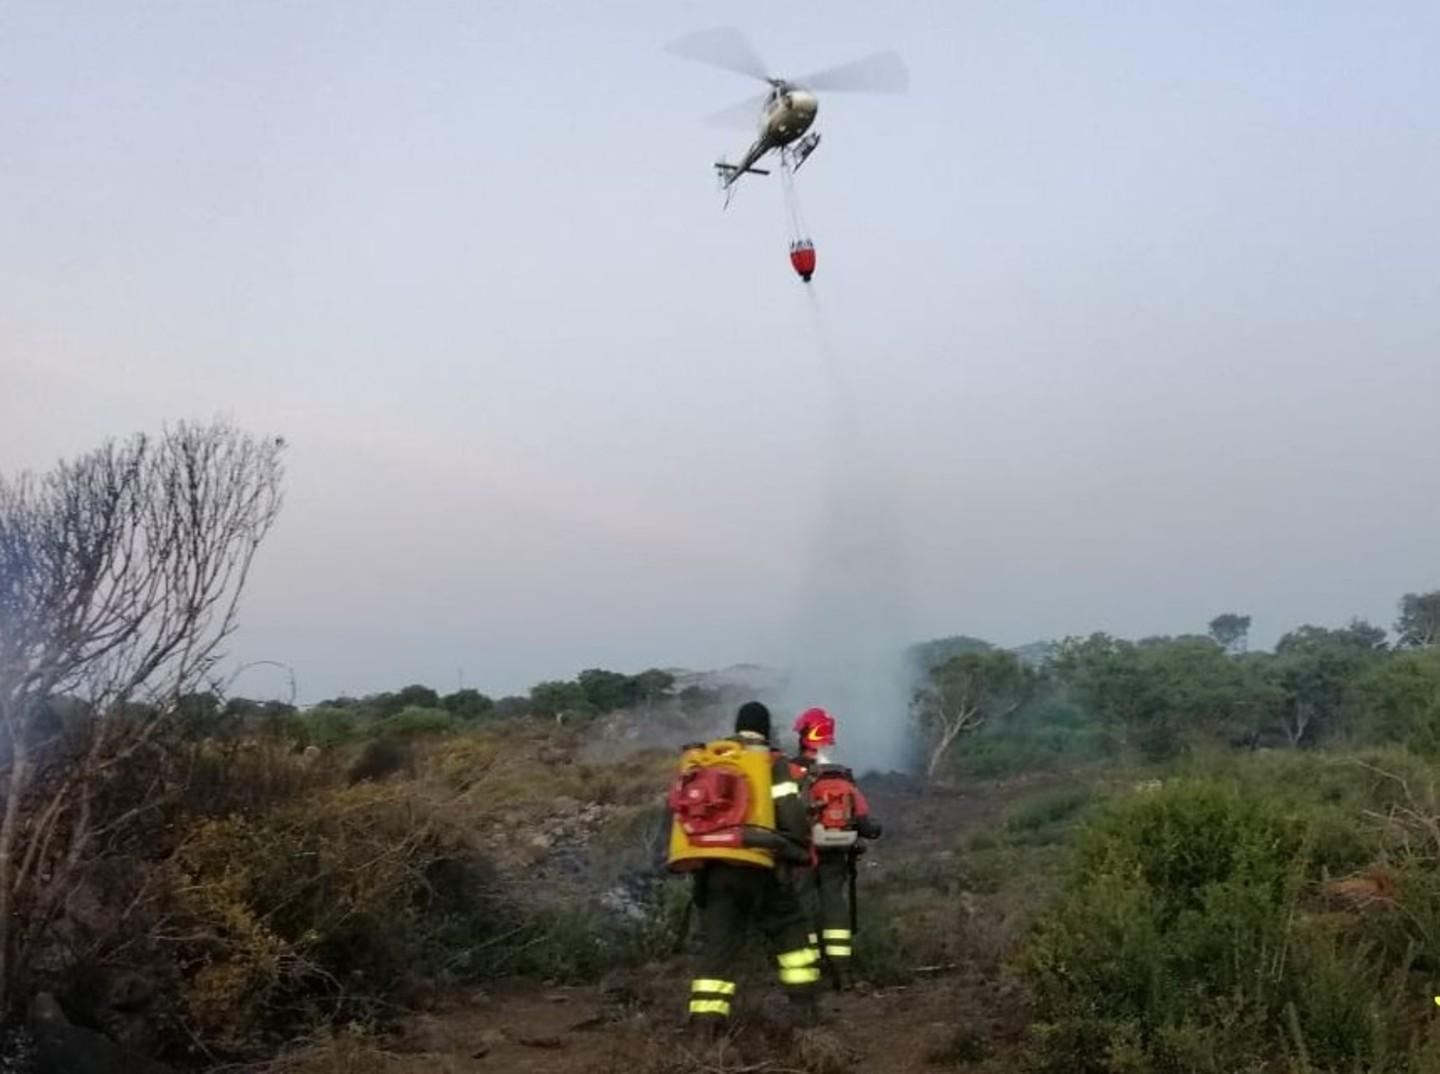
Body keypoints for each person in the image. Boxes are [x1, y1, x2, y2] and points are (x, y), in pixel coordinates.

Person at [674, 701, 822, 1033]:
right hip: (761, 869)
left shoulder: (709, 760)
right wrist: (797, 843)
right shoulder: (768, 762)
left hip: (715, 873)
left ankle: (705, 1030)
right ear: (766, 729)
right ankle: (806, 1017)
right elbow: (791, 817)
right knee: (793, 938)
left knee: (717, 951)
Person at [790, 707, 882, 990]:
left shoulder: (790, 773)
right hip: (836, 853)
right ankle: (841, 970)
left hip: (801, 853)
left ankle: (810, 968)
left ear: (802, 735)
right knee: (834, 903)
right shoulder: (841, 777)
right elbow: (864, 820)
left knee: (802, 904)